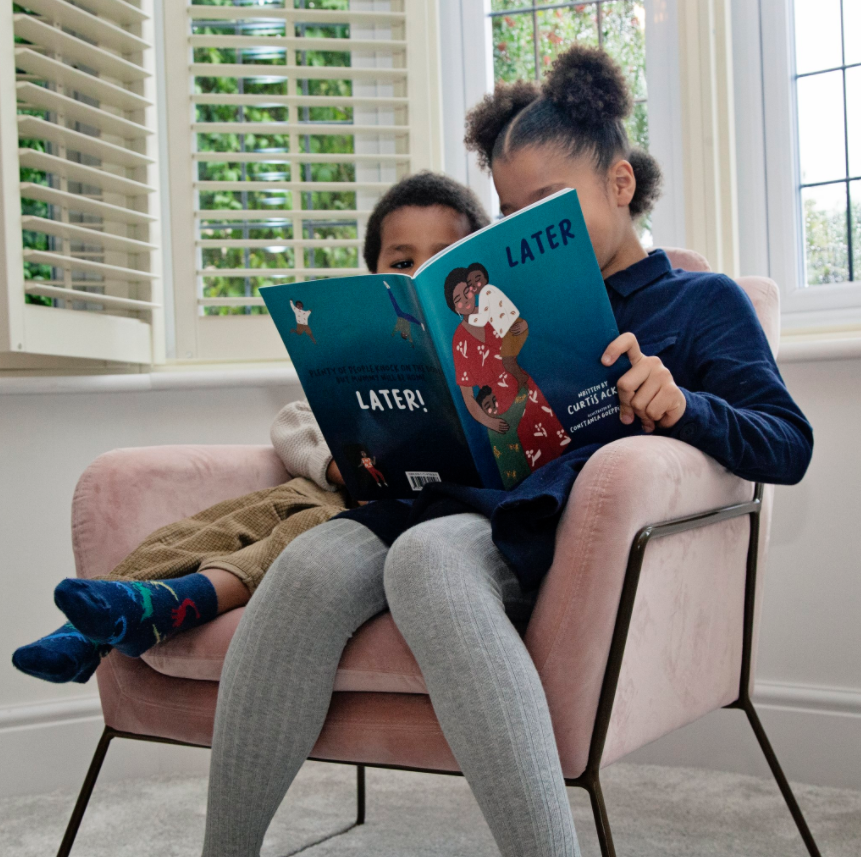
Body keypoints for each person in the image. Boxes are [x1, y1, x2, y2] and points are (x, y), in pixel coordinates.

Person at [200, 45, 813, 857]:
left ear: (620, 184)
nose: (535, 232)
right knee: (307, 566)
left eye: (554, 204)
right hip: (449, 495)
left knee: (424, 559)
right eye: (513, 215)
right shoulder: (490, 310)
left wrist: (685, 405)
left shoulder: (699, 303)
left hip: (536, 524)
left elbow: (787, 442)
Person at [12, 171, 489, 685]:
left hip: (405, 517)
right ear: (371, 276)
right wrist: (333, 465)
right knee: (215, 524)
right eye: (401, 262)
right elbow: (293, 421)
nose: (417, 274)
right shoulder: (357, 359)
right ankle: (86, 629)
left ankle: (172, 605)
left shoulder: (484, 363)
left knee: (300, 532)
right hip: (334, 488)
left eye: (440, 261)